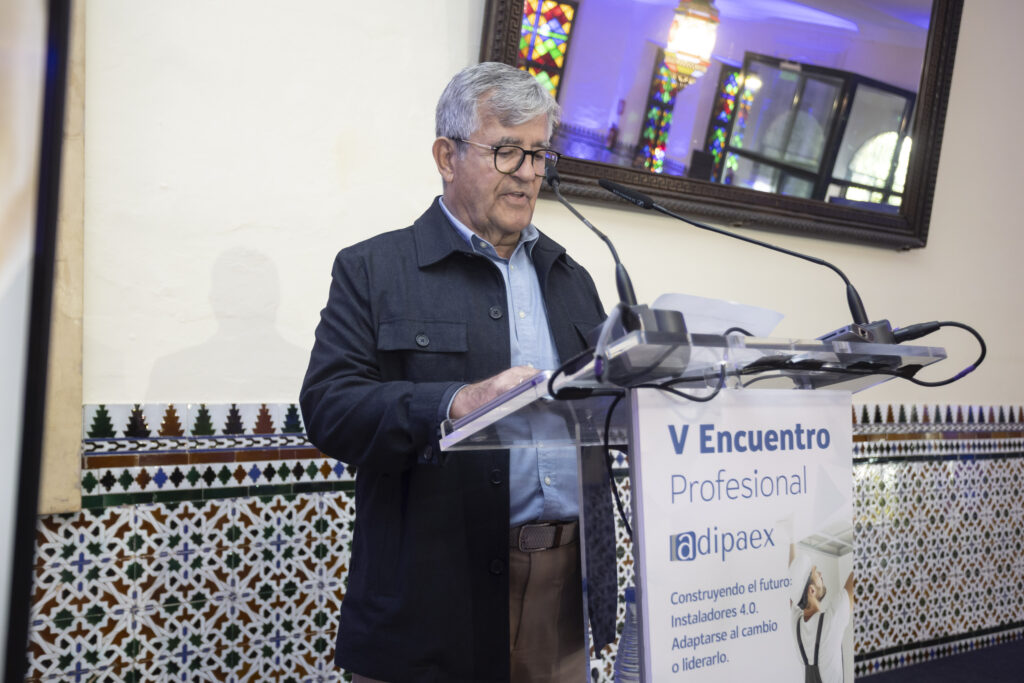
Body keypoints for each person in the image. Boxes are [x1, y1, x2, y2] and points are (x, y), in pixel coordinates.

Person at [300, 62, 613, 682]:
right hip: (435, 597)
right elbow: (330, 407)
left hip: (564, 593)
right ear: (448, 156)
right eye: (507, 151)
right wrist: (454, 403)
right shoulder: (374, 269)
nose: (528, 173)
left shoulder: (571, 278)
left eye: (538, 154)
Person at [789, 545, 855, 683]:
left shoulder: (797, 626)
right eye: (816, 573)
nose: (820, 574)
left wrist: (791, 540)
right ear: (812, 590)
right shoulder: (831, 621)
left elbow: (792, 586)